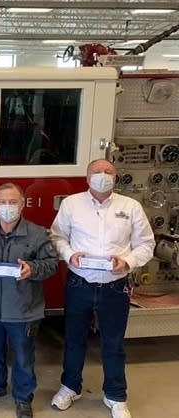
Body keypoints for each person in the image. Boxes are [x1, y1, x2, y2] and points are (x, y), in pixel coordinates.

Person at [50, 159, 155, 418]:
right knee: (74, 340)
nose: (102, 176)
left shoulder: (130, 207)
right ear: (87, 178)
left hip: (115, 286)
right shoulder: (71, 204)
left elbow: (146, 244)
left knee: (114, 343)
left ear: (116, 178)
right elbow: (57, 236)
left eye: (108, 172)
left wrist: (128, 262)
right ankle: (69, 387)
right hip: (79, 283)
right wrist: (70, 254)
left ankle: (116, 395)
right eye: (97, 172)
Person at [0, 182, 58, 418]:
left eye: (12, 202)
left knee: (23, 356)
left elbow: (52, 264)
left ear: (22, 204)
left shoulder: (38, 233)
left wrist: (32, 269)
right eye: (2, 202)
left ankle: (23, 397)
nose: (7, 207)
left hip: (24, 309)